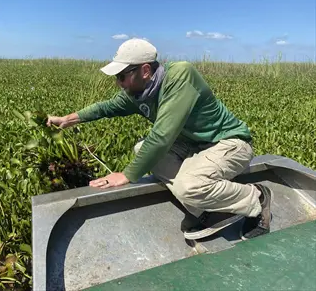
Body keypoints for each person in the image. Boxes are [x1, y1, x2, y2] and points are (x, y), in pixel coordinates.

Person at [46, 38, 272, 240]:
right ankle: (206, 206)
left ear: (145, 70)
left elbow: (162, 135)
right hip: (192, 145)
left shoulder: (180, 75)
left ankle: (256, 198)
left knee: (189, 187)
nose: (119, 83)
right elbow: (107, 107)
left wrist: (126, 175)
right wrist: (69, 119)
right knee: (141, 149)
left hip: (228, 142)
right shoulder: (137, 92)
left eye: (122, 76)